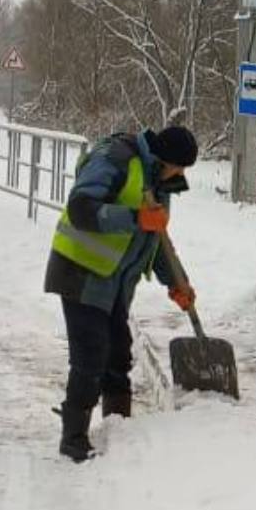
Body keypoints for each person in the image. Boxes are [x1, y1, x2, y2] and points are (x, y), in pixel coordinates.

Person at [46, 125, 199, 462]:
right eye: (179, 167)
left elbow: (156, 240)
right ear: (163, 158)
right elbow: (80, 208)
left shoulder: (159, 182)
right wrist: (134, 217)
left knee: (118, 354)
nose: (180, 175)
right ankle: (73, 439)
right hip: (80, 270)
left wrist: (177, 282)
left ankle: (120, 430)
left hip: (114, 282)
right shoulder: (114, 159)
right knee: (91, 355)